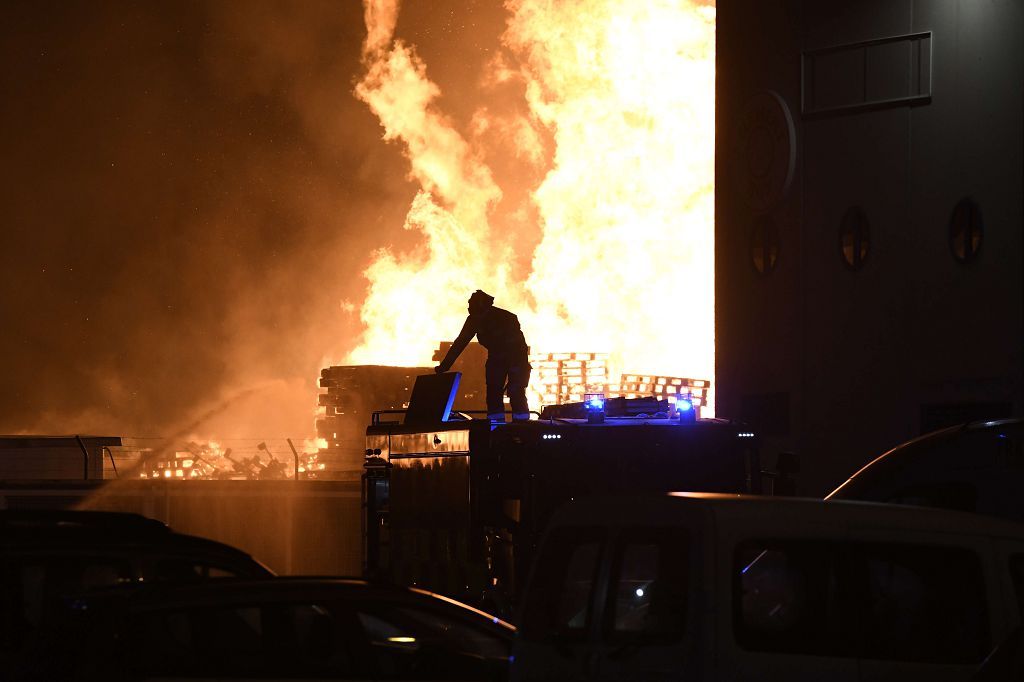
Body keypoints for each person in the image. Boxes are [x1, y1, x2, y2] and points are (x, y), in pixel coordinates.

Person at [435, 290, 531, 423]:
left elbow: (520, 346)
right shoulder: (474, 320)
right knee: (494, 390)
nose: (469, 308)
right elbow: (460, 342)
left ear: (481, 306)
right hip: (497, 357)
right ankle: (496, 424)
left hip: (515, 358)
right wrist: (445, 365)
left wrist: (517, 371)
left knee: (515, 390)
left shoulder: (506, 318)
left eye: (472, 305)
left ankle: (521, 425)